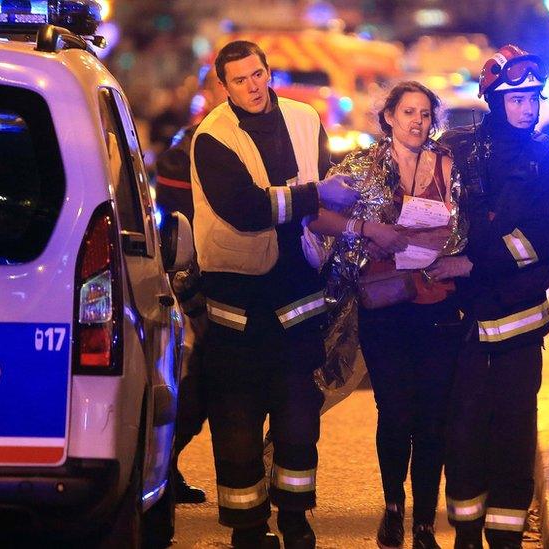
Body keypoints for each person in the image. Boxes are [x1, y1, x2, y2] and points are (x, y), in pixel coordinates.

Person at [190, 40, 359, 549]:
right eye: (240, 80)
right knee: (237, 426)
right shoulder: (212, 136)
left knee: (299, 424)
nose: (253, 86)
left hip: (297, 301)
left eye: (258, 74)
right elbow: (245, 208)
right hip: (237, 310)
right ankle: (247, 528)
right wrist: (315, 196)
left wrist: (356, 227)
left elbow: (322, 191)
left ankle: (295, 520)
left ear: (269, 72)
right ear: (224, 86)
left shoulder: (307, 120)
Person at [316, 81, 466, 549]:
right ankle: (392, 508)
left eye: (424, 113)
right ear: (389, 118)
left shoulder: (451, 165)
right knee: (396, 411)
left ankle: (424, 523)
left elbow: (474, 225)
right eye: (408, 113)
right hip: (385, 306)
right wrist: (368, 229)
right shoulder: (364, 166)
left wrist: (457, 254)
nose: (417, 121)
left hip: (439, 304)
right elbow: (316, 214)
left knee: (433, 417)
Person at [433, 45, 549, 549]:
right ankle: (466, 532)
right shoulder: (459, 151)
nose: (527, 107)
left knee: (514, 435)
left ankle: (507, 537)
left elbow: (537, 244)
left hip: (517, 325)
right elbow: (440, 220)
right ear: (494, 99)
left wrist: (471, 257)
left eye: (533, 97)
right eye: (516, 99)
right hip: (463, 322)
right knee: (463, 432)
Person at [154, 65, 229, 507]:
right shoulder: (187, 150)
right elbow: (179, 232)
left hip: (239, 283)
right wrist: (194, 303)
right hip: (194, 288)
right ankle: (164, 470)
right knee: (192, 388)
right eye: (226, 85)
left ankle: (168, 469)